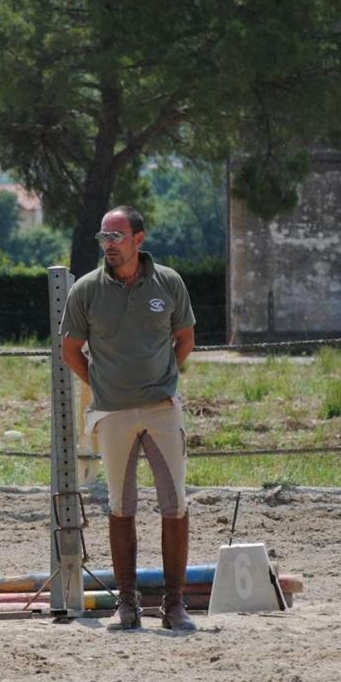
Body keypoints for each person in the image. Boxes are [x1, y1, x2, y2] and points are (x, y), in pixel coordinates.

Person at [59, 205, 197, 632]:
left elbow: (185, 339)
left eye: (116, 236)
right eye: (104, 237)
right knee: (120, 507)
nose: (108, 245)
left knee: (174, 505)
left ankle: (174, 605)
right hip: (113, 413)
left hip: (161, 409)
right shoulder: (85, 290)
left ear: (139, 239)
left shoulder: (169, 282)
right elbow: (70, 351)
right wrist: (103, 385)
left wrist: (162, 380)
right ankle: (128, 604)